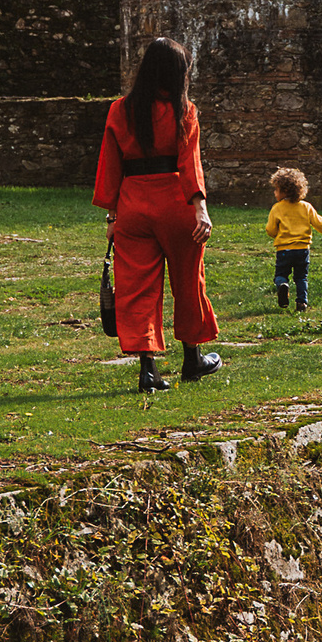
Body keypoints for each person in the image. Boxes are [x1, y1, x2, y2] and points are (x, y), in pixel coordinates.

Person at [92, 37, 221, 395]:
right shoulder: (184, 110)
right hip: (176, 202)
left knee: (137, 289)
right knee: (187, 282)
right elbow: (190, 164)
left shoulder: (120, 110)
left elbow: (110, 165)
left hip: (133, 205)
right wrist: (201, 209)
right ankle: (192, 359)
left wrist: (113, 217)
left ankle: (147, 370)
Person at [264, 166, 322, 311]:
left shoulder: (277, 208)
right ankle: (302, 302)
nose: (274, 193)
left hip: (284, 250)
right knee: (301, 278)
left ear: (284, 191)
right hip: (302, 250)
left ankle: (282, 286)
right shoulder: (306, 207)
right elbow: (321, 224)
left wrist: (277, 234)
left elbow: (270, 229)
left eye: (276, 189)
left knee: (280, 275)